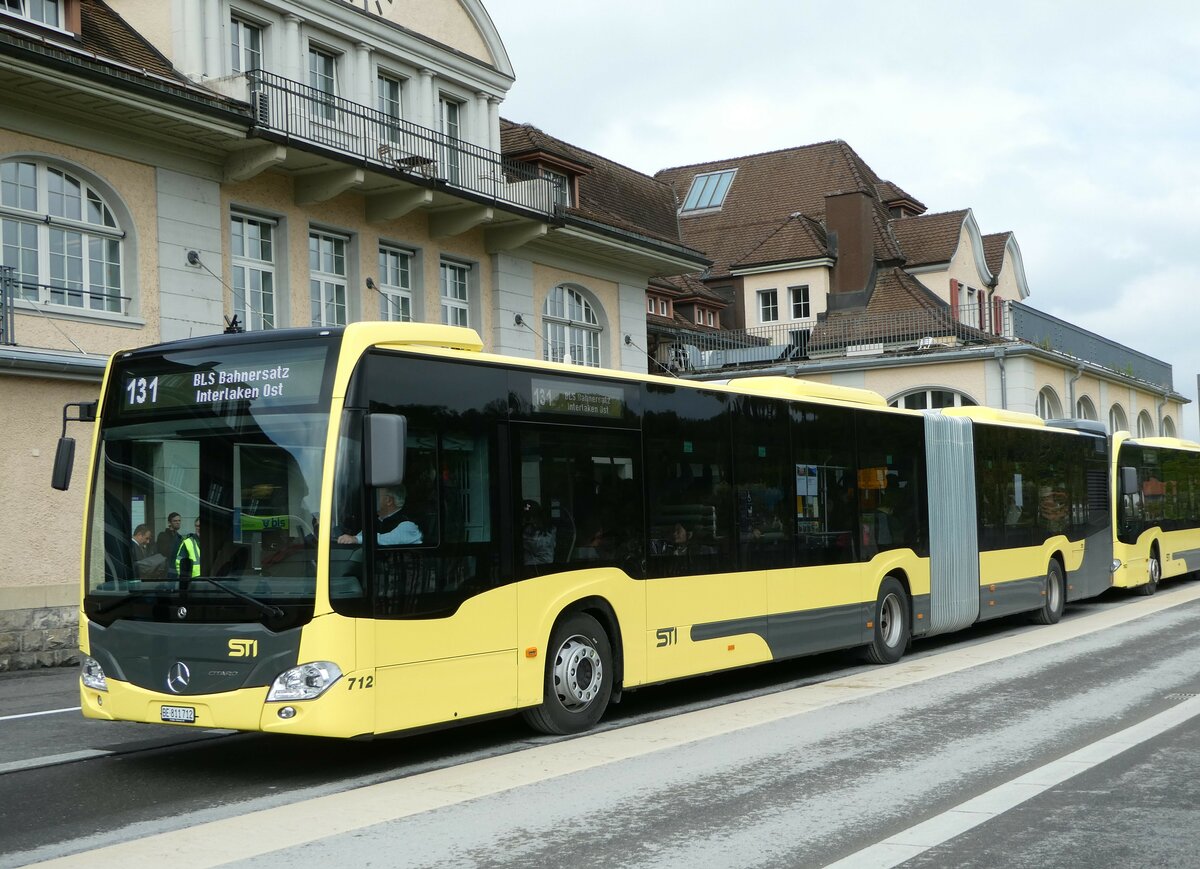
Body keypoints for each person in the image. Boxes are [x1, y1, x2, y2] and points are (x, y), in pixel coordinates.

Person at [338, 485, 422, 546]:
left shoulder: (408, 525)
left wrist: (356, 540)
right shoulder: (378, 520)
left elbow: (388, 540)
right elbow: (360, 537)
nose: (372, 498)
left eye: (376, 495)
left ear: (388, 500)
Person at [522, 500, 556, 565]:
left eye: (531, 516)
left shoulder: (548, 530)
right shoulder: (530, 528)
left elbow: (536, 544)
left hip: (542, 565)